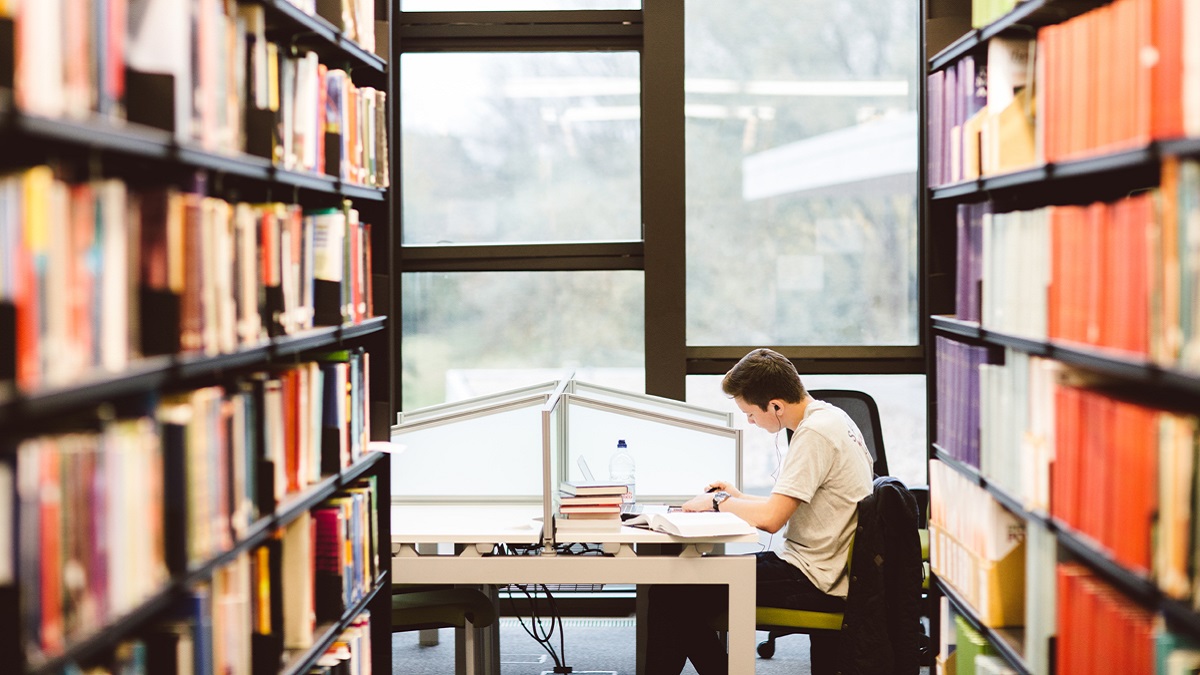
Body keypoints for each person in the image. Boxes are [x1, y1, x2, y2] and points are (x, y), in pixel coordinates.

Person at [645, 348, 875, 675]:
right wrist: (738, 497)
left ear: (776, 405)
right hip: (820, 566)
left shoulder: (814, 434)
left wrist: (717, 503)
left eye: (751, 413)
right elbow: (780, 506)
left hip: (812, 576)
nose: (750, 422)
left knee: (672, 597)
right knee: (678, 593)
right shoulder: (831, 418)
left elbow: (771, 520)